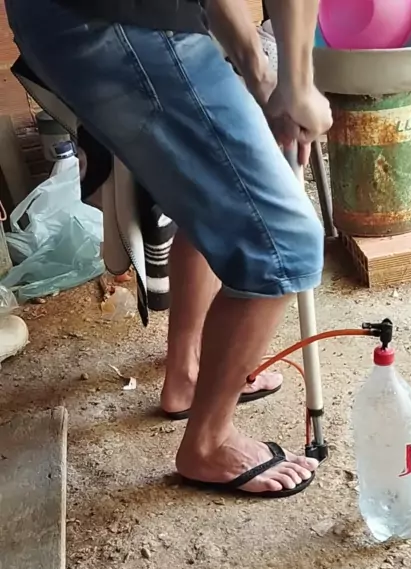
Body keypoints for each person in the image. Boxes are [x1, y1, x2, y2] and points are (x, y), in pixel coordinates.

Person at [6, 0, 333, 498]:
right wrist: (299, 83)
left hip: (73, 17)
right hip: (120, 23)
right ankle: (209, 444)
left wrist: (261, 74)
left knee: (214, 192)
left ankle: (187, 372)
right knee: (283, 244)